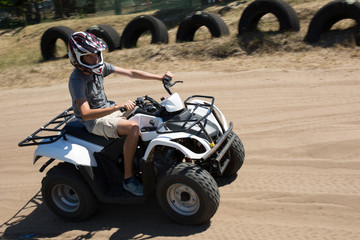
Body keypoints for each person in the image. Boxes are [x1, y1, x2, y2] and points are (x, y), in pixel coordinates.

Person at [67, 31, 173, 197]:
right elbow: (86, 114)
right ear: (77, 58)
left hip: (109, 110)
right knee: (133, 128)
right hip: (94, 121)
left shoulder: (99, 68)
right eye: (89, 56)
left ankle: (154, 159)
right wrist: (118, 108)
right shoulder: (77, 80)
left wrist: (159, 77)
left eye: (96, 53)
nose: (95, 58)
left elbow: (130, 72)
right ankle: (128, 178)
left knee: (150, 111)